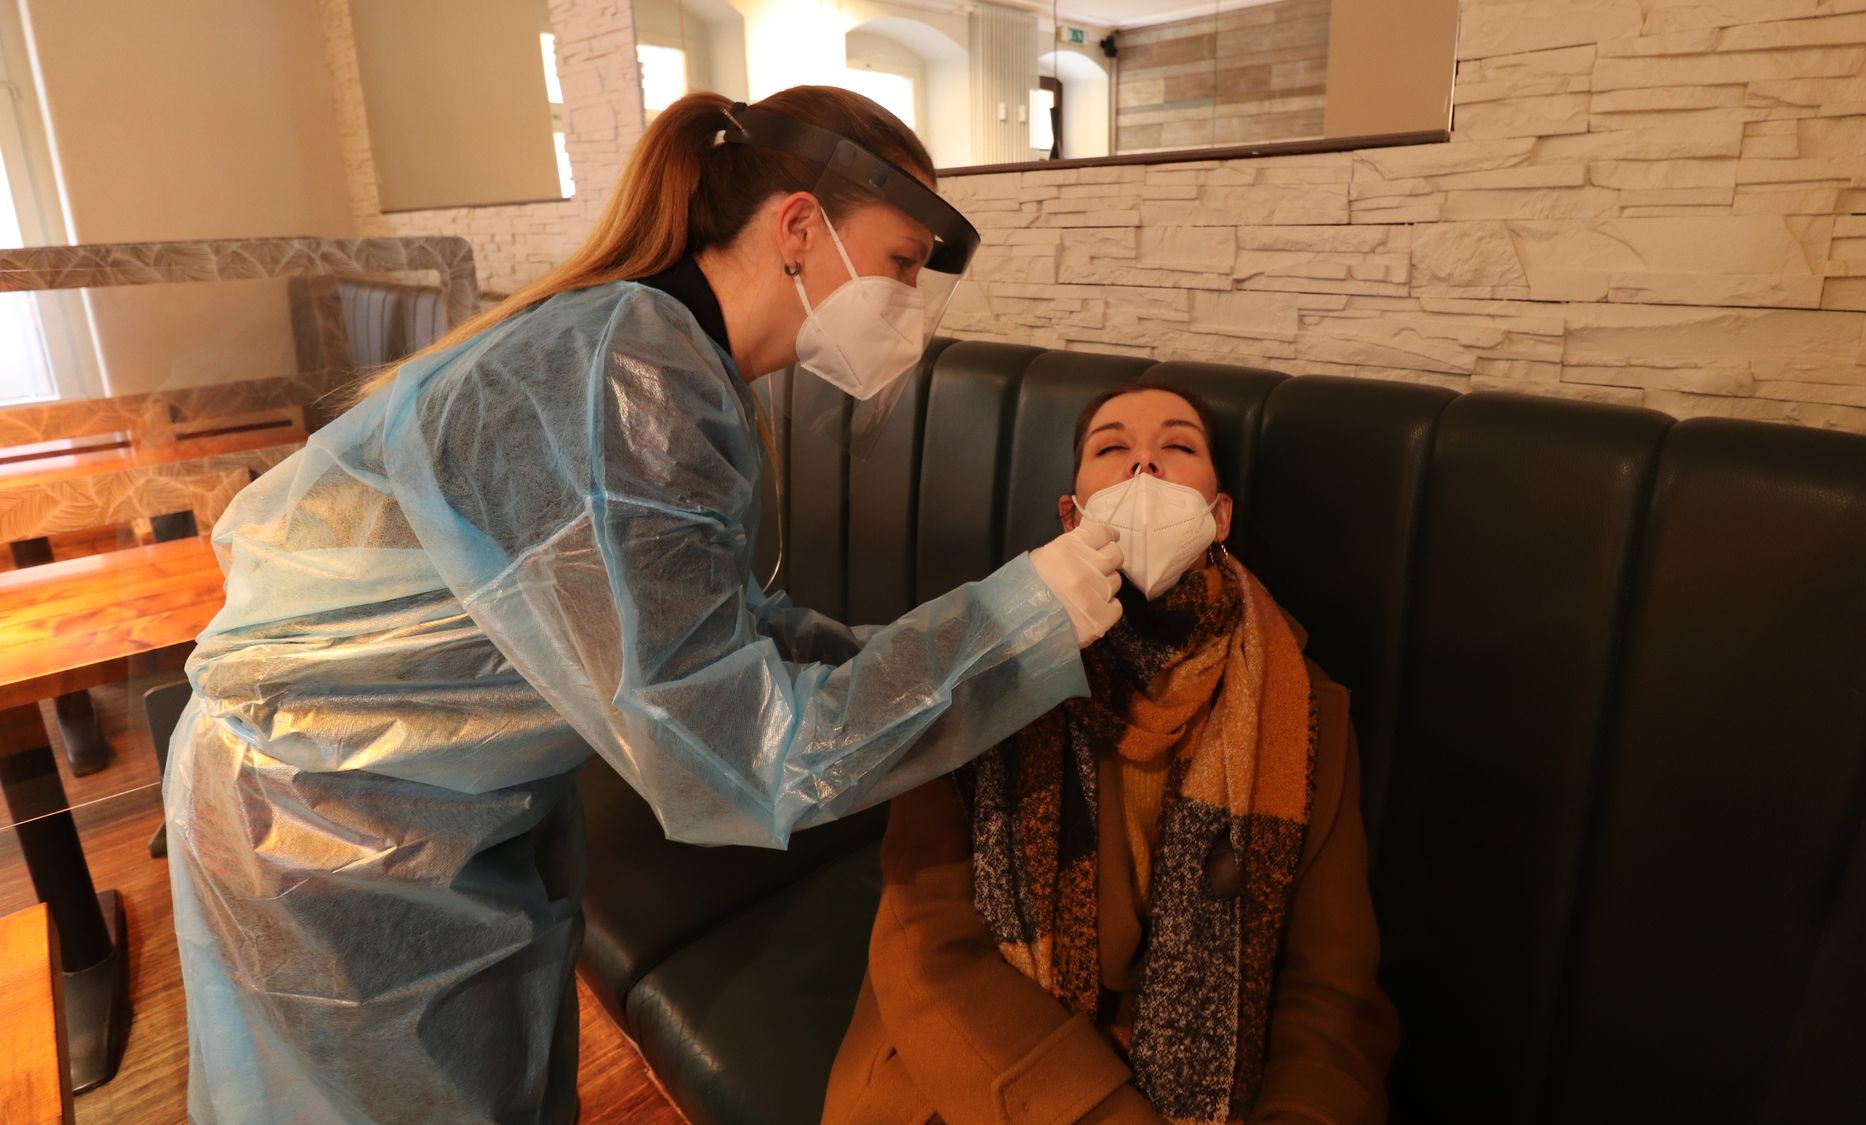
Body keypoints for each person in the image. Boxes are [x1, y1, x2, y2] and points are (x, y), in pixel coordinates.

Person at [164, 87, 1128, 1125]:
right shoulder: (632, 375)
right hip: (328, 829)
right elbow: (742, 758)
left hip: (415, 809)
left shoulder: (658, 355)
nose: (907, 302)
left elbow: (717, 627)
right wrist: (1029, 613)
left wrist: (923, 646)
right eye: (900, 262)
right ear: (800, 227)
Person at [823, 385, 1400, 1124]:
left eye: (1178, 446)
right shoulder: (981, 664)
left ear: (1220, 515)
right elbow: (926, 933)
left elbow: (1330, 988)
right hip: (987, 1061)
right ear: (1072, 516)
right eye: (1113, 447)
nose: (1144, 466)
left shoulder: (1302, 706)